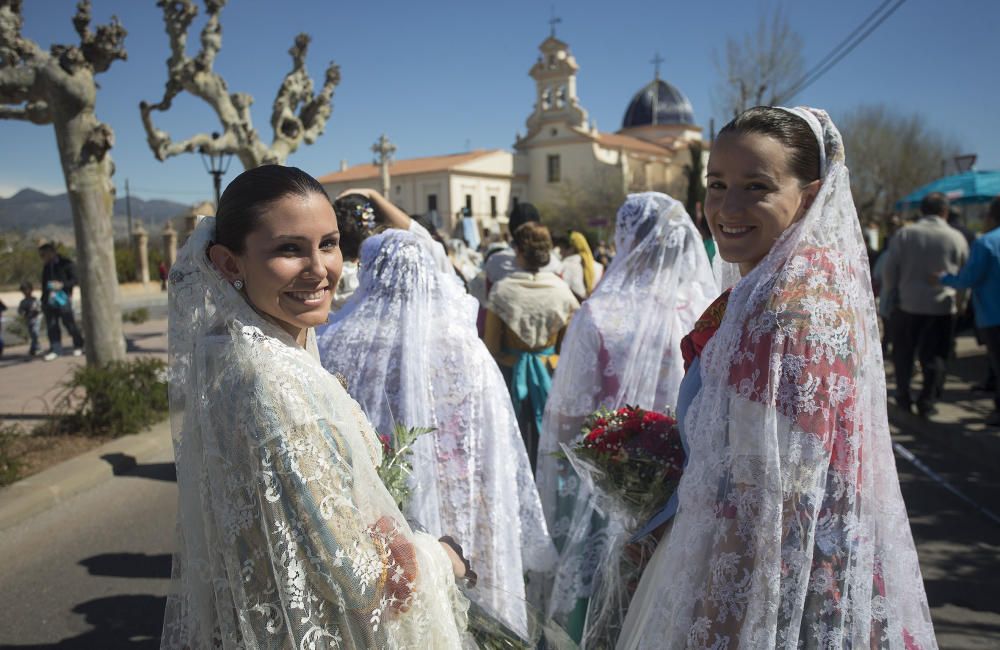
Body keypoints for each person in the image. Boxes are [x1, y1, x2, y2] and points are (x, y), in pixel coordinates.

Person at [617, 107, 935, 649]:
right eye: (716, 184)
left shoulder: (789, 313)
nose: (727, 207)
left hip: (773, 583)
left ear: (809, 198)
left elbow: (766, 508)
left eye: (756, 186)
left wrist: (712, 627)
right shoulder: (772, 286)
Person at [161, 165, 472, 649]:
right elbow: (357, 579)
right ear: (228, 263)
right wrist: (440, 559)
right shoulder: (272, 380)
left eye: (328, 243)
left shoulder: (234, 347)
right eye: (289, 249)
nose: (319, 268)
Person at [319, 229, 556, 636]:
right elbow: (493, 443)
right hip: (458, 498)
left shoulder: (337, 339)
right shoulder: (463, 343)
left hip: (373, 505)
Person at [537, 192, 718, 643]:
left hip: (611, 486)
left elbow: (565, 420)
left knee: (607, 602)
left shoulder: (601, 313)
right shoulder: (707, 306)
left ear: (625, 238)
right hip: (693, 482)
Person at [485, 222, 579, 472]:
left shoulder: (502, 290)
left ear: (518, 251)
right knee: (547, 447)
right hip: (550, 375)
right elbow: (569, 348)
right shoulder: (562, 291)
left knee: (516, 444)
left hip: (510, 377)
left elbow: (492, 347)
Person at [882, 192, 969, 416]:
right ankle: (927, 400)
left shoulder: (905, 235)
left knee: (904, 354)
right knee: (934, 357)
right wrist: (960, 304)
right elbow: (964, 277)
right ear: (945, 211)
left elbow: (889, 271)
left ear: (922, 211)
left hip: (907, 304)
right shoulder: (956, 238)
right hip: (941, 308)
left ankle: (903, 395)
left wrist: (891, 294)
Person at [939, 196, 1000, 426]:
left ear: (991, 216)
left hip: (993, 314)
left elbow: (969, 278)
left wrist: (944, 278)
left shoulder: (987, 243)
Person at [38, 243, 84, 360]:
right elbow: (44, 284)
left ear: (51, 252)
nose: (43, 257)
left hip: (63, 298)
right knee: (52, 325)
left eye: (44, 254)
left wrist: (62, 285)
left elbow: (75, 279)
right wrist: (43, 300)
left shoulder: (66, 263)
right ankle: (56, 349)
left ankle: (78, 344)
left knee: (69, 323)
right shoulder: (46, 267)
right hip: (50, 299)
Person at [559, 232, 604, 301]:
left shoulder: (564, 266)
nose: (560, 253)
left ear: (572, 248)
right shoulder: (599, 267)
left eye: (561, 249)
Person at [17, 281, 42, 357]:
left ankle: (37, 348)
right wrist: (22, 313)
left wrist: (35, 310)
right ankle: (34, 348)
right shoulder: (23, 302)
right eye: (24, 290)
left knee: (35, 332)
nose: (26, 292)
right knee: (32, 334)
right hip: (28, 319)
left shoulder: (35, 300)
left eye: (27, 290)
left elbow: (39, 308)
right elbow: (20, 310)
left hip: (36, 318)